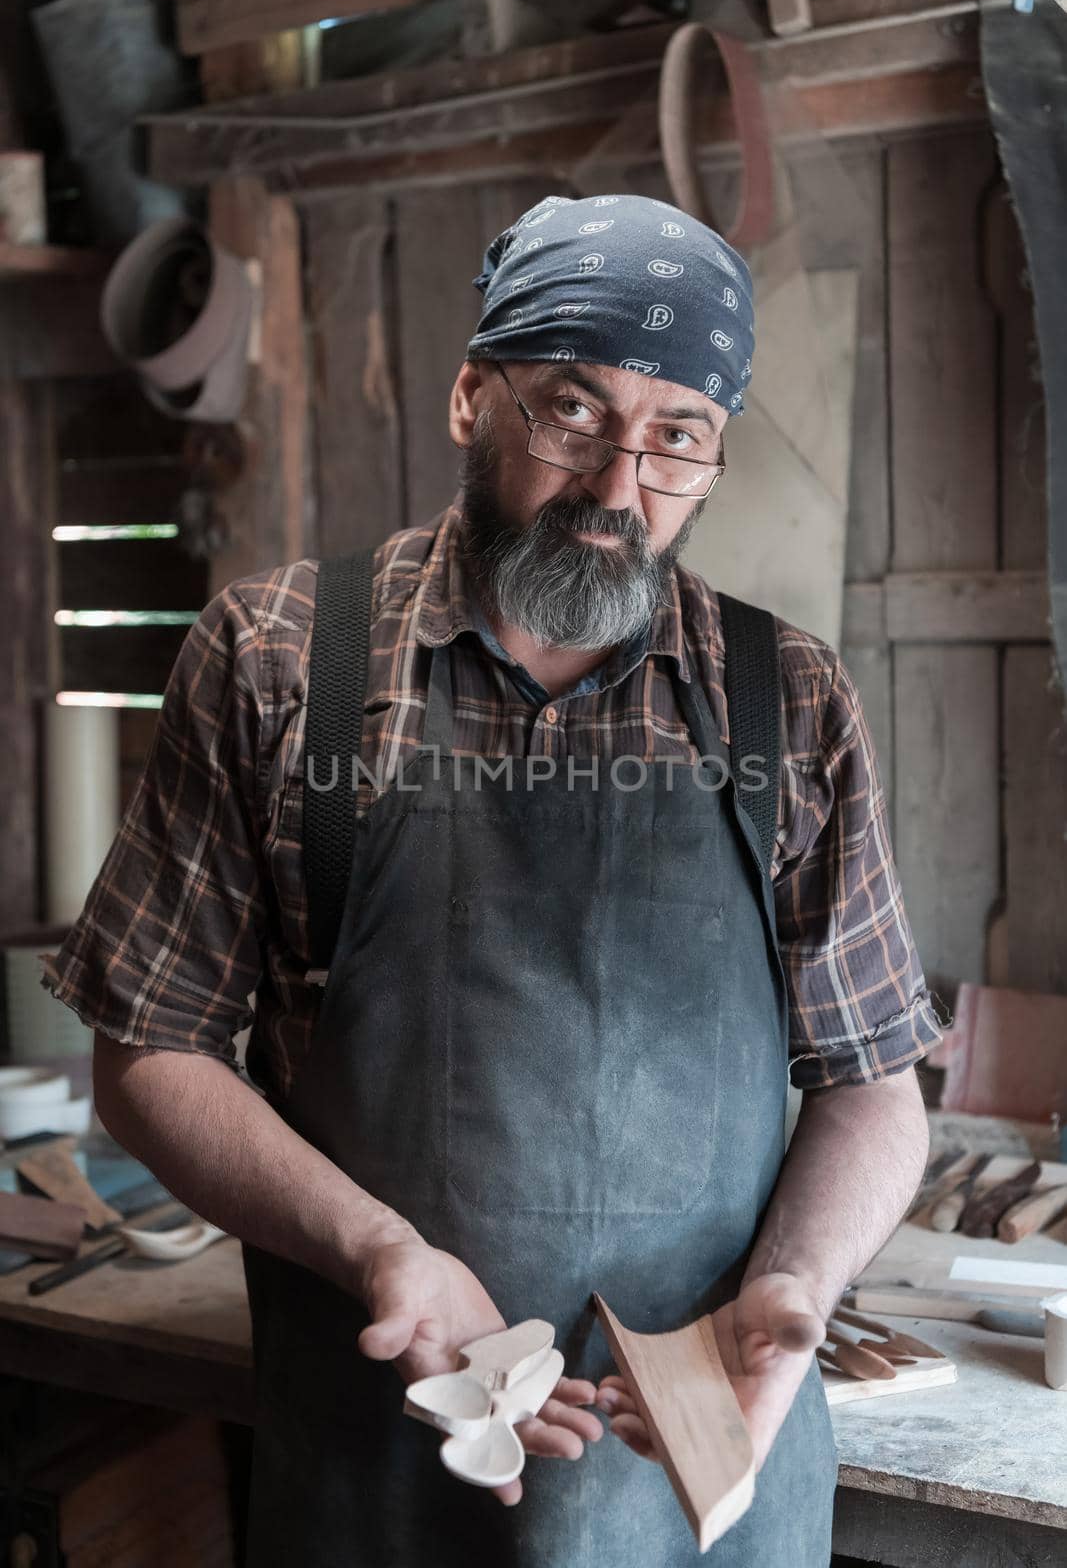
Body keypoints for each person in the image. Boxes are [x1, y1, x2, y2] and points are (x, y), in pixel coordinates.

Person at [41, 193, 942, 1566]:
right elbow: (147, 1054)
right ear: (474, 396)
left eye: (675, 438)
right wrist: (375, 1247)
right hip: (381, 1454)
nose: (615, 487)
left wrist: (797, 1294)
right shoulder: (285, 661)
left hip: (710, 1458)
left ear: (711, 460)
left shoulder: (787, 700)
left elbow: (875, 1081)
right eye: (572, 411)